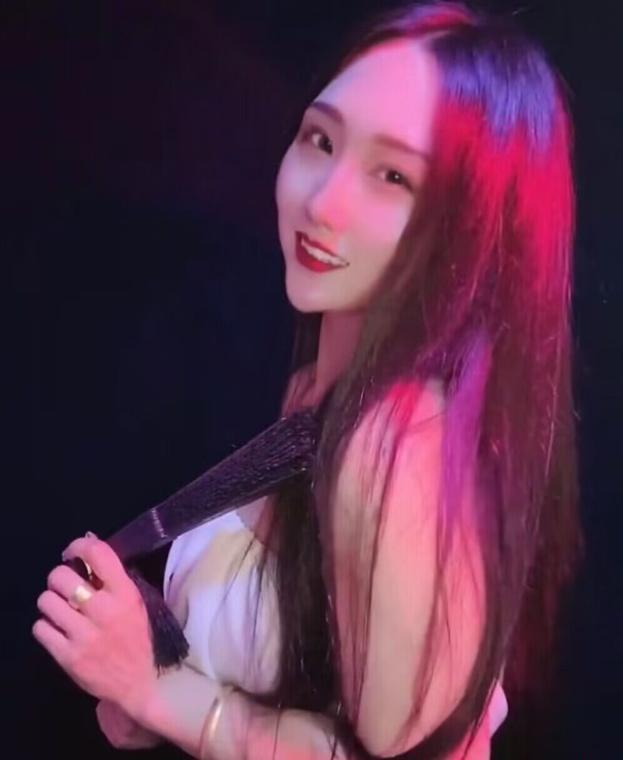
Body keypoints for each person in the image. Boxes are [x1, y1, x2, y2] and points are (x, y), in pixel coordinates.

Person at [33, 3, 581, 758]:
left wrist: (158, 691)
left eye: (393, 176)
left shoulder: (395, 447)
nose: (323, 202)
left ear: (473, 227)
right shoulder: (319, 397)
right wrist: (152, 682)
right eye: (321, 139)